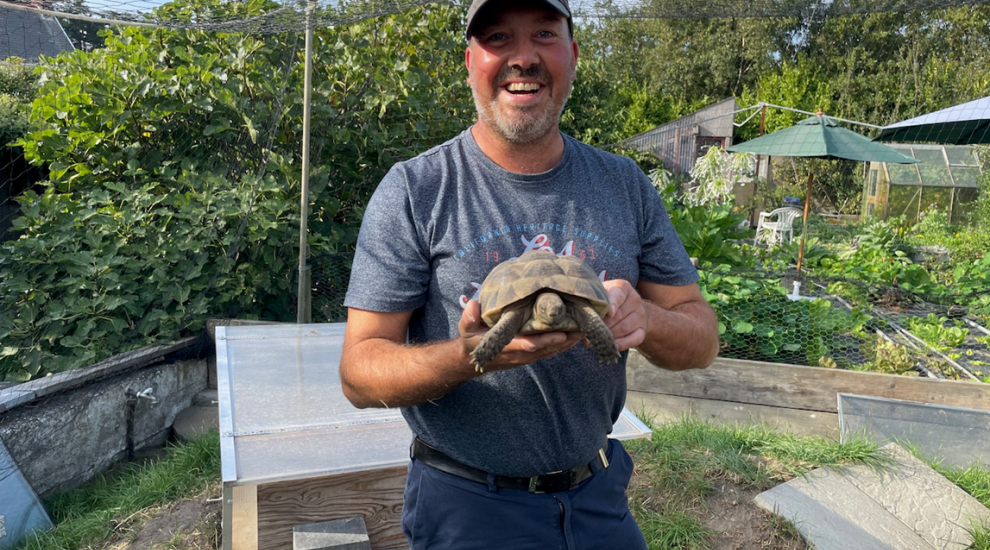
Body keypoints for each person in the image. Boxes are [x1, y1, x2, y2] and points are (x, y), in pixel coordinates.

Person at [340, 0, 720, 547]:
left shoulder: (626, 185)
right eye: (498, 37)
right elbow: (358, 372)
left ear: (573, 53)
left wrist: (647, 320)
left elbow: (702, 338)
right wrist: (473, 354)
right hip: (468, 504)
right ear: (470, 59)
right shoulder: (415, 190)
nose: (523, 57)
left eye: (544, 33)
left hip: (599, 493)